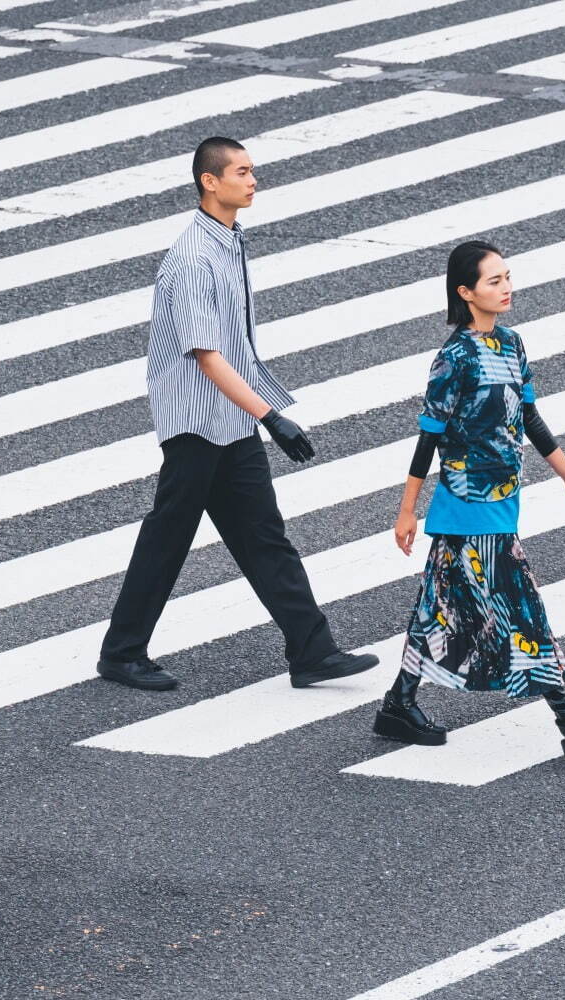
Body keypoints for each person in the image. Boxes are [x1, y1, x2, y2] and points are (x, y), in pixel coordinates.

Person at [96, 137, 378, 692]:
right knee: (169, 535)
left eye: (252, 171)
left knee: (263, 536)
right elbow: (204, 354)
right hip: (196, 421)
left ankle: (312, 650)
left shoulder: (227, 240)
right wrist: (271, 417)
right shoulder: (195, 257)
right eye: (242, 172)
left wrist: (255, 414)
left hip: (230, 418)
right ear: (210, 181)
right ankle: (121, 652)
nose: (253, 180)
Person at [375, 240, 565, 764]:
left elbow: (529, 419)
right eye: (493, 281)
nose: (506, 287)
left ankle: (398, 703)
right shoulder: (453, 359)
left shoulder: (511, 345)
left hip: (503, 499)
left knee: (440, 604)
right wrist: (407, 510)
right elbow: (429, 436)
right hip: (467, 503)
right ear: (466, 293)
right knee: (517, 602)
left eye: (507, 277)